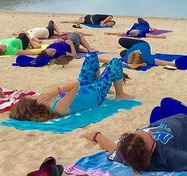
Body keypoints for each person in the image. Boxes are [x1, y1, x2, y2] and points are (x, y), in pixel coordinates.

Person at [9, 52, 134, 122]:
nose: (36, 95)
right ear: (36, 104)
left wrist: (51, 96)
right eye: (33, 97)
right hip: (95, 95)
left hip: (86, 87)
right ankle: (120, 95)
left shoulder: (52, 102)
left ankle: (99, 82)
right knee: (115, 63)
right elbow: (75, 84)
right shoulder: (58, 108)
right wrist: (53, 92)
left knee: (91, 56)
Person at [81, 97, 187, 173]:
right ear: (149, 153)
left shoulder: (127, 153)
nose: (150, 132)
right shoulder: (170, 156)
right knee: (166, 102)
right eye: (151, 136)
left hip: (160, 123)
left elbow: (111, 146)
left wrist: (96, 135)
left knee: (157, 110)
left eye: (141, 131)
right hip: (183, 121)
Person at [118, 37, 187, 68]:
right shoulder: (126, 58)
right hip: (134, 47)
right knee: (122, 48)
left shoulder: (126, 58)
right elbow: (162, 62)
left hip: (142, 43)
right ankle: (127, 50)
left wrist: (173, 64)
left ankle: (128, 50)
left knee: (122, 49)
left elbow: (162, 62)